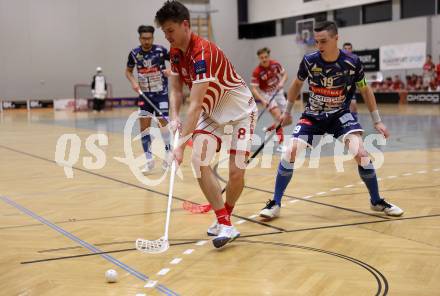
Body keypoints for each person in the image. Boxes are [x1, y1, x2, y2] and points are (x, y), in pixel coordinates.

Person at [259, 21, 403, 219]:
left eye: (323, 41)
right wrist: (287, 111)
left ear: (336, 38)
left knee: (361, 153)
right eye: (316, 42)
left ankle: (376, 201)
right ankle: (275, 202)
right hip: (313, 115)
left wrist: (377, 120)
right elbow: (296, 84)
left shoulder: (353, 62)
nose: (319, 46)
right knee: (290, 150)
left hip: (339, 115)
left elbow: (365, 89)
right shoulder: (310, 60)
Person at [155, 0, 257, 248]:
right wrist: (175, 116)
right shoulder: (175, 52)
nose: (167, 36)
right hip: (212, 113)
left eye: (170, 30)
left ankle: (227, 218)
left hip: (240, 112)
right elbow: (177, 89)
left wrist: (179, 145)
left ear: (185, 25)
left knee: (235, 173)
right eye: (164, 31)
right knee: (199, 161)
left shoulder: (204, 53)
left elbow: (196, 103)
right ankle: (224, 222)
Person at [125, 25, 171, 173]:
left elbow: (176, 62)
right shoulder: (134, 53)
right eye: (144, 38)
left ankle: (168, 156)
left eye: (149, 38)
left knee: (163, 126)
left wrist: (170, 71)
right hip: (144, 96)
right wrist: (133, 82)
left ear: (153, 37)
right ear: (140, 38)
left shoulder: (161, 51)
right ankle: (149, 160)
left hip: (161, 95)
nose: (146, 41)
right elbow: (128, 71)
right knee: (144, 129)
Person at [250, 47, 290, 152]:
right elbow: (254, 89)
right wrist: (262, 100)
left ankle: (270, 129)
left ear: (269, 56)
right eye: (261, 57)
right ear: (259, 58)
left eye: (266, 57)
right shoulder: (257, 72)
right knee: (278, 117)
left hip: (279, 93)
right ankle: (281, 144)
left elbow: (285, 75)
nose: (264, 59)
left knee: (287, 119)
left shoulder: (275, 64)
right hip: (267, 95)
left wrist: (281, 82)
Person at [342, 42, 358, 117]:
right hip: (340, 86)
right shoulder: (339, 59)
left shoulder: (355, 59)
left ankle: (354, 120)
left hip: (351, 86)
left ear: (351, 49)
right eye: (345, 49)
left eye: (349, 49)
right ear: (342, 49)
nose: (347, 50)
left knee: (353, 103)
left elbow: (359, 73)